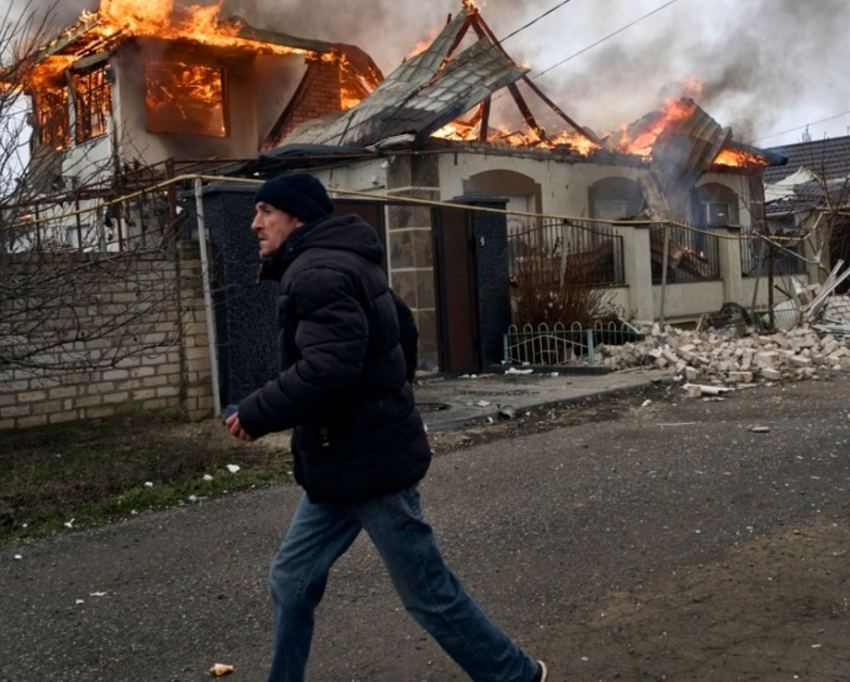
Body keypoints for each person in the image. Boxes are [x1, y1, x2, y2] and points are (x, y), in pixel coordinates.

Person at [224, 173, 548, 682]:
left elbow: (326, 370)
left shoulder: (318, 273)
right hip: (339, 461)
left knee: (429, 595)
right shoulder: (343, 261)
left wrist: (256, 412)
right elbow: (405, 329)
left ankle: (516, 676)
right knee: (291, 579)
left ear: (298, 216)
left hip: (367, 463)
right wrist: (389, 398)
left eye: (266, 211)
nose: (254, 223)